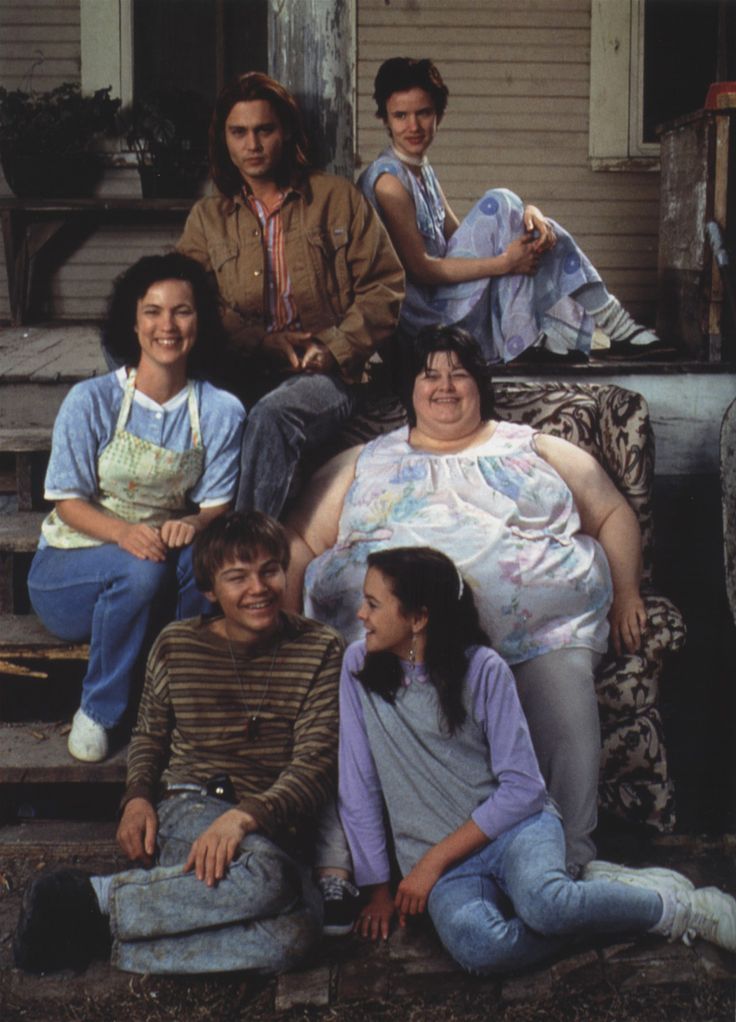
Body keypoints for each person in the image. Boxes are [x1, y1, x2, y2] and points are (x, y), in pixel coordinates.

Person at [286, 323, 646, 873]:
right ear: (410, 390)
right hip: (397, 648)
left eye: (459, 374)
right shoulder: (365, 460)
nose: (445, 386)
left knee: (564, 687)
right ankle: (357, 865)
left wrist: (626, 593)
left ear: (481, 385)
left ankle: (567, 859)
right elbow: (302, 542)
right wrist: (288, 623)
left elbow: (612, 511)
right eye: (430, 375)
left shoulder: (534, 447)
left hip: (537, 633)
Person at [338, 546, 736, 972]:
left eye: (374, 604)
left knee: (545, 907)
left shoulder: (483, 669)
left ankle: (680, 908)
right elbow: (357, 783)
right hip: (444, 867)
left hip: (515, 830)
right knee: (482, 949)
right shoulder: (359, 667)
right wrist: (378, 888)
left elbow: (524, 789)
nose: (361, 614)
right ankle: (589, 897)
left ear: (418, 618)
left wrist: (431, 862)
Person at [14, 511, 346, 976]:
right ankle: (91, 896)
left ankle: (104, 929)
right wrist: (136, 800)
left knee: (296, 936)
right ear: (209, 590)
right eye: (238, 577)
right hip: (189, 808)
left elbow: (316, 763)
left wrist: (244, 818)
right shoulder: (176, 644)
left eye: (270, 570)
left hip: (270, 820)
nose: (260, 588)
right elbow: (149, 736)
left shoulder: (321, 648)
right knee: (271, 879)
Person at [27, 253, 245, 763]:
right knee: (141, 571)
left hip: (150, 566)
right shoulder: (92, 401)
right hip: (69, 569)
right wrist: (125, 534)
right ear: (133, 321)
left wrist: (191, 522)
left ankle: (182, 703)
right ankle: (99, 711)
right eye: (152, 311)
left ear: (200, 321)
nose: (166, 326)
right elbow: (66, 502)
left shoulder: (217, 410)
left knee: (201, 560)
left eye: (182, 311)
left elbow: (216, 508)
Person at [178, 71, 405, 519]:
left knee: (273, 416)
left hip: (323, 374)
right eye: (238, 133)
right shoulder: (208, 218)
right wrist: (259, 341)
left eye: (264, 130)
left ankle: (240, 550)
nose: (252, 145)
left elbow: (385, 288)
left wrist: (332, 348)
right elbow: (192, 301)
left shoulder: (336, 199)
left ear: (286, 133)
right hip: (241, 364)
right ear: (224, 140)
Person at [358, 56, 662, 363]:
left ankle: (594, 322)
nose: (413, 126)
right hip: (424, 324)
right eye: (400, 116)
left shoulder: (420, 169)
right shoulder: (389, 183)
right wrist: (505, 263)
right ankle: (598, 325)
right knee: (501, 200)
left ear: (438, 114)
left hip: (447, 302)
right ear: (385, 118)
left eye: (423, 113)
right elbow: (422, 268)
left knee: (530, 223)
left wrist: (530, 212)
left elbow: (457, 237)